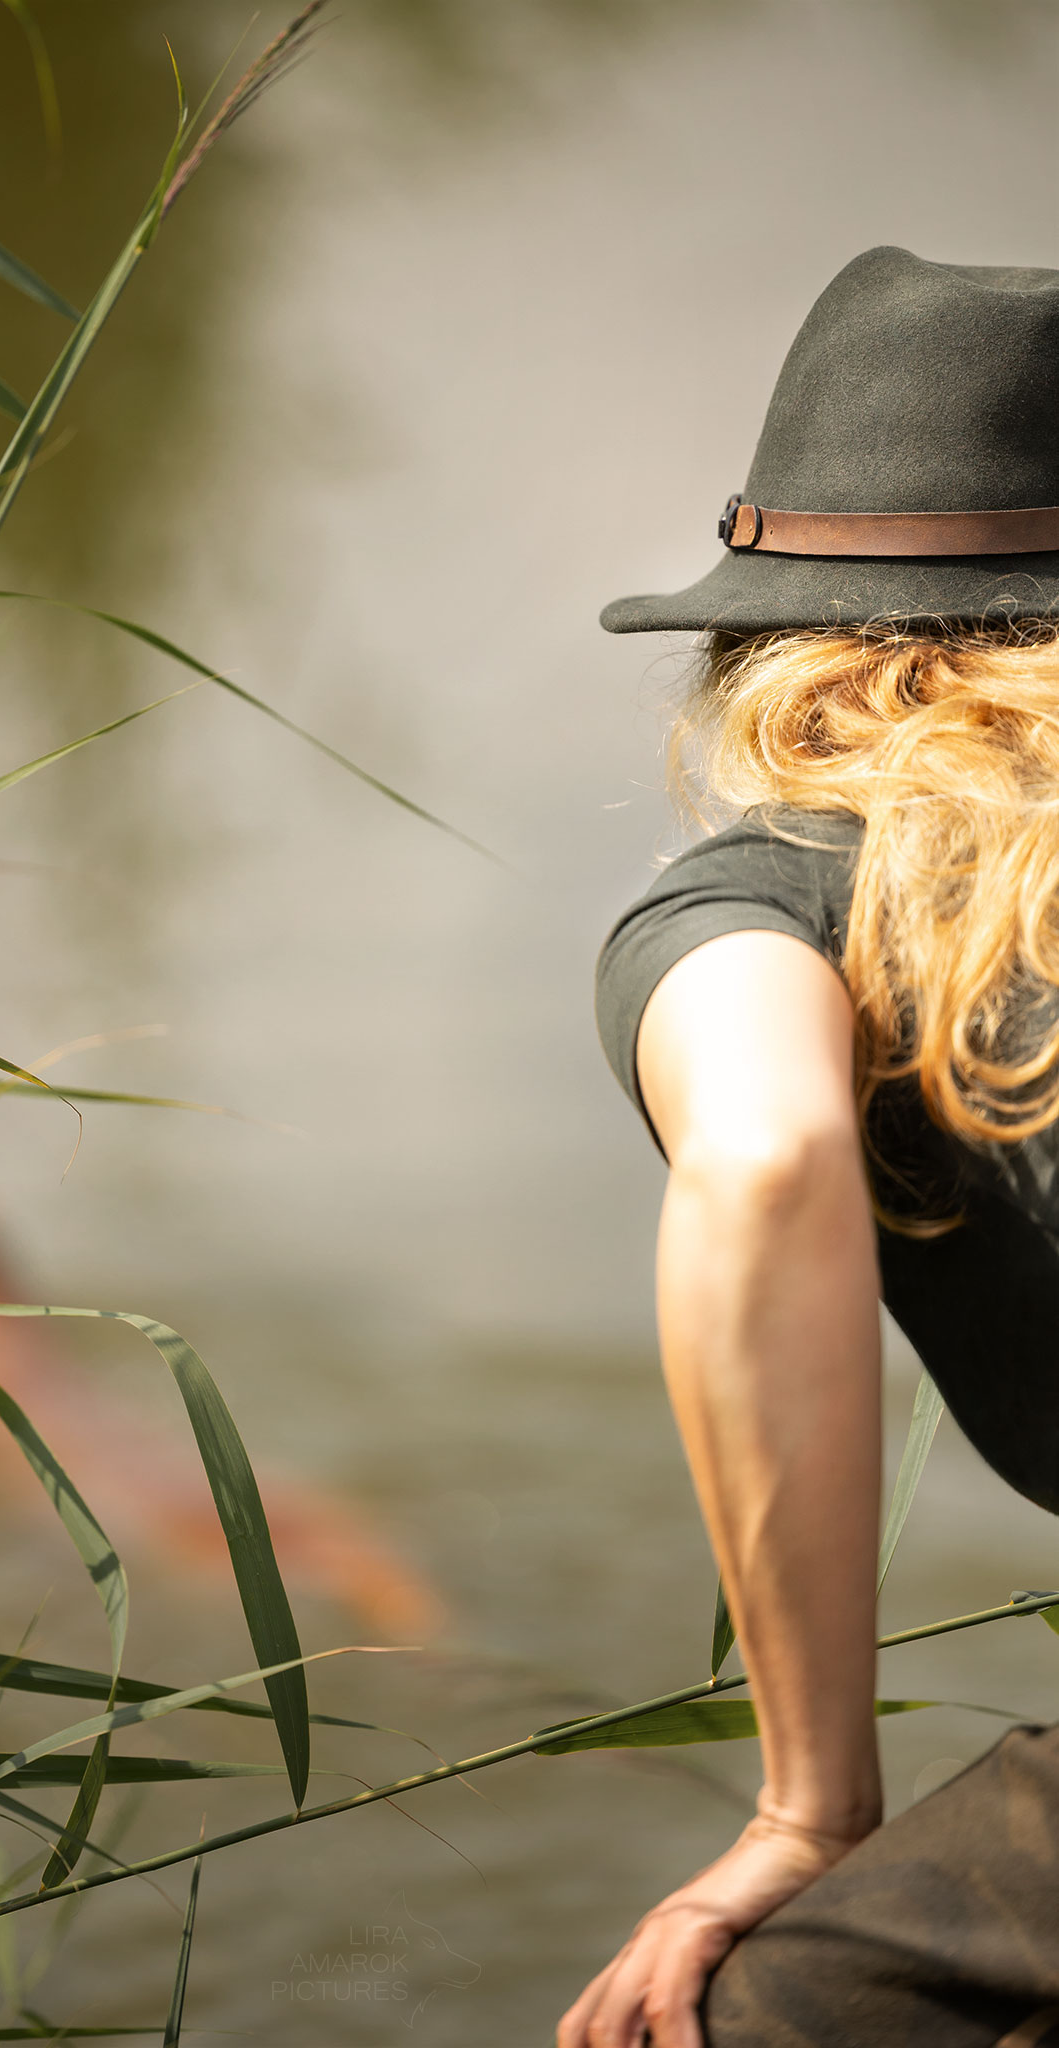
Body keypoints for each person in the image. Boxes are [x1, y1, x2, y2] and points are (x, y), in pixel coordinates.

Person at [557, 246, 1059, 2048]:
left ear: (755, 645)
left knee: (764, 2017)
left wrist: (806, 1805)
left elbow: (762, 1161)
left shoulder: (780, 903)